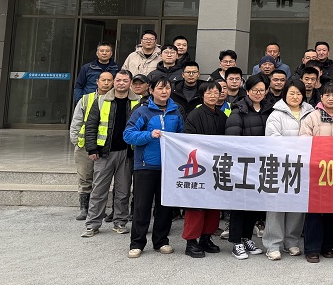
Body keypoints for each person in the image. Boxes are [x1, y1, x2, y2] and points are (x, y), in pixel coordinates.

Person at [122, 76, 184, 258]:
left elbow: (181, 136)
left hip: (168, 167)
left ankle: (161, 241)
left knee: (164, 206)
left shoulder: (176, 112)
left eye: (167, 88)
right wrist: (149, 135)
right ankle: (137, 243)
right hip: (145, 166)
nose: (164, 92)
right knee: (142, 206)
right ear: (151, 90)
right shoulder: (142, 111)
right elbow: (128, 135)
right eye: (160, 88)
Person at [81, 70, 138, 237]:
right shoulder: (101, 100)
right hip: (103, 153)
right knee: (99, 190)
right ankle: (92, 224)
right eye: (118, 80)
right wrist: (92, 148)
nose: (121, 83)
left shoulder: (138, 102)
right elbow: (90, 126)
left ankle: (120, 222)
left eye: (125, 80)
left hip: (127, 153)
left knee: (123, 191)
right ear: (114, 82)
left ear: (130, 82)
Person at [263, 80, 313, 261]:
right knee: (276, 205)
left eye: (299, 93)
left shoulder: (311, 113)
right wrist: (295, 149)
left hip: (302, 166)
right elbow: (273, 138)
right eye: (292, 93)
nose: (295, 97)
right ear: (285, 94)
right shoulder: (276, 114)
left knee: (297, 205)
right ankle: (273, 244)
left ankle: (291, 241)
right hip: (280, 164)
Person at [225, 74, 272, 260]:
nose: (258, 93)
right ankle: (236, 241)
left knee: (253, 203)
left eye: (261, 90)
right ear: (247, 90)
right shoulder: (239, 110)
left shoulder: (269, 110)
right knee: (239, 204)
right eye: (254, 90)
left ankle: (246, 238)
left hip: (261, 165)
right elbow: (232, 139)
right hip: (242, 164)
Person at [299, 80, 333, 262]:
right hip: (316, 169)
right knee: (315, 210)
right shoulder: (312, 117)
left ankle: (327, 246)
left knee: (331, 211)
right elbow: (304, 141)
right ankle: (312, 249)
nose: (331, 98)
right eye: (327, 95)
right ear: (321, 97)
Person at [181, 81, 227, 258]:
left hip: (216, 167)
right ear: (202, 95)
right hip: (199, 167)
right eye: (209, 92)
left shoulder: (222, 116)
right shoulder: (195, 115)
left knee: (214, 204)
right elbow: (187, 140)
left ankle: (206, 238)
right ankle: (191, 242)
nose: (213, 96)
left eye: (216, 92)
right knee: (196, 206)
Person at [70, 70, 113, 221]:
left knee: (100, 179)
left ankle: (97, 209)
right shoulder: (86, 99)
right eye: (103, 80)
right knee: (85, 176)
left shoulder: (115, 99)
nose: (106, 83)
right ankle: (84, 208)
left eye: (109, 80)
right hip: (84, 146)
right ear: (97, 82)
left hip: (105, 145)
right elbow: (76, 121)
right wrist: (76, 141)